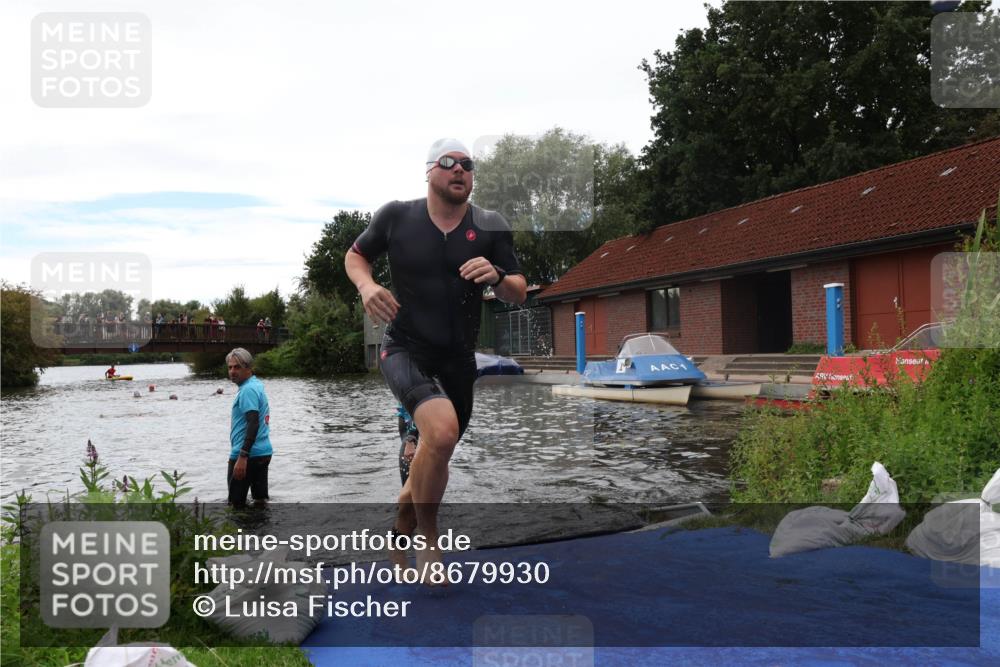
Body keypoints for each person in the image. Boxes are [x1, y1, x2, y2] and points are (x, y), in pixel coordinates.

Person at [345, 137, 527, 582]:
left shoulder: (490, 226)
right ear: (430, 172)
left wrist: (499, 276)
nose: (460, 170)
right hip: (405, 348)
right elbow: (355, 256)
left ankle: (398, 532)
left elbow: (519, 290)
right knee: (441, 432)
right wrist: (367, 287)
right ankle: (429, 542)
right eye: (450, 163)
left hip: (457, 358)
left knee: (436, 451)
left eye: (468, 164)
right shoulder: (397, 216)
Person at [225, 348, 273, 507]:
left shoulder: (247, 390)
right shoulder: (256, 385)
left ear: (248, 368)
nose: (232, 371)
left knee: (235, 507)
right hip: (263, 452)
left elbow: (253, 422)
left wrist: (242, 456)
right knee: (261, 504)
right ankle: (263, 531)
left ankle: (239, 532)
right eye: (230, 367)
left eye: (237, 367)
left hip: (247, 455)